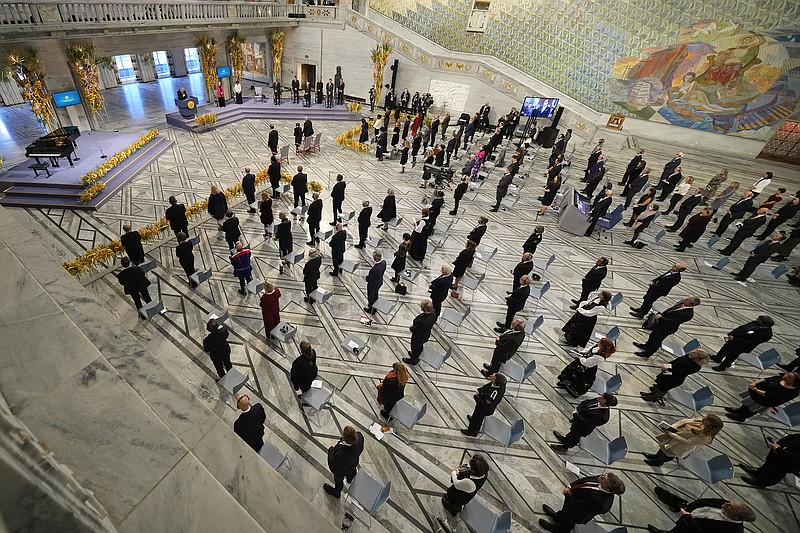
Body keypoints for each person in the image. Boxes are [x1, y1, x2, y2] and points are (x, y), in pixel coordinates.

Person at [539, 473, 626, 533]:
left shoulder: (601, 503)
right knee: (564, 512)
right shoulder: (601, 479)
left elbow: (578, 505)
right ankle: (557, 517)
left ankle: (557, 529)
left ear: (608, 488)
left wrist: (568, 494)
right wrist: (570, 486)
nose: (601, 476)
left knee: (567, 522)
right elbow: (585, 479)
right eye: (604, 475)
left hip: (577, 512)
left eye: (604, 479)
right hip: (572, 498)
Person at [647, 493, 755, 533]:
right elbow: (704, 501)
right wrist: (688, 509)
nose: (724, 504)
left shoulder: (733, 531)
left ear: (736, 517)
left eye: (729, 507)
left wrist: (688, 518)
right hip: (686, 521)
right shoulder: (724, 503)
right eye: (728, 502)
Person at [642, 415, 723, 466]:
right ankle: (656, 456)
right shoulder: (700, 421)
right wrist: (672, 427)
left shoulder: (704, 437)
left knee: (669, 453)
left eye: (706, 419)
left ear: (709, 426)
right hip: (676, 435)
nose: (703, 418)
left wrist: (671, 434)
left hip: (681, 445)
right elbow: (685, 421)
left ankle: (658, 462)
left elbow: (687, 442)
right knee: (663, 447)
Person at [634, 296, 700, 358]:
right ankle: (646, 346)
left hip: (667, 328)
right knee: (652, 335)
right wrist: (661, 314)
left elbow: (673, 321)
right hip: (661, 323)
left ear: (691, 304)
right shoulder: (681, 304)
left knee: (656, 341)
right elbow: (670, 310)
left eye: (687, 300)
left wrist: (661, 318)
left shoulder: (688, 314)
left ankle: (648, 353)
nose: (684, 299)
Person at [550, 393, 618, 452]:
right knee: (572, 432)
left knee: (574, 437)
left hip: (582, 428)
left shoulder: (603, 417)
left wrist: (575, 414)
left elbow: (587, 423)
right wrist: (578, 409)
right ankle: (565, 439)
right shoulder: (597, 400)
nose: (599, 396)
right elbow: (586, 402)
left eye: (602, 397)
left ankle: (565, 447)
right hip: (578, 421)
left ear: (606, 402)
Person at [640, 349, 709, 404]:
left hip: (674, 378)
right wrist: (668, 364)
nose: (691, 352)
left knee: (663, 388)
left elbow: (679, 372)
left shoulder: (695, 367)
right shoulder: (688, 356)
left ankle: (655, 396)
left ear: (698, 358)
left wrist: (668, 368)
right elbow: (677, 360)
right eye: (693, 351)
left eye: (694, 353)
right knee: (660, 383)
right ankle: (653, 392)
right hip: (669, 371)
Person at [725, 372, 799, 422]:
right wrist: (755, 383)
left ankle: (741, 417)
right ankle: (738, 411)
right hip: (756, 393)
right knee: (747, 403)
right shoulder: (781, 378)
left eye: (789, 377)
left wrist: (756, 389)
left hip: (765, 401)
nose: (785, 376)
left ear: (794, 382)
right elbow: (766, 379)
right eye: (787, 374)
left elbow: (770, 395)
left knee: (752, 409)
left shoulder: (792, 392)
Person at [323, 426, 364, 499]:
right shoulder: (360, 437)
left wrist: (331, 449)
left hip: (341, 471)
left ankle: (336, 492)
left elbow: (332, 462)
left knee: (338, 481)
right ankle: (350, 478)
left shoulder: (341, 454)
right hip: (353, 464)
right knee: (352, 472)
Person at [403, 299, 437, 365]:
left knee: (415, 347)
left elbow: (415, 330)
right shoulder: (433, 312)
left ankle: (413, 360)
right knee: (419, 346)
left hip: (419, 337)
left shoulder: (422, 321)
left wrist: (411, 328)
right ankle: (415, 355)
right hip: (426, 334)